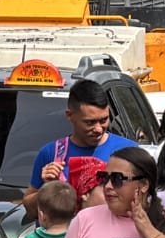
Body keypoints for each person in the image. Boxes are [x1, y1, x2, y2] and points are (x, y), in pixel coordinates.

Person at [24, 79, 137, 217]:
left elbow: (145, 202)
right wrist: (48, 189)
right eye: (89, 122)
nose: (98, 129)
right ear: (70, 116)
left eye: (104, 120)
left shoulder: (128, 151)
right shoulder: (51, 153)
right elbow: (30, 211)